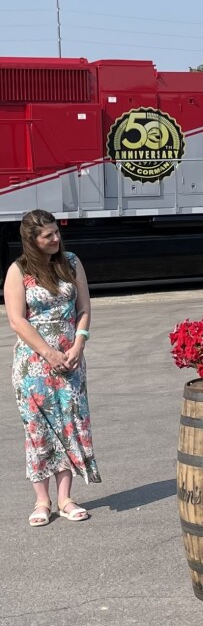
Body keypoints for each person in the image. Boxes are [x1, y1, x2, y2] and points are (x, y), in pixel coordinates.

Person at [4, 209, 100, 527]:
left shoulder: (71, 262)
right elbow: (17, 319)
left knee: (69, 426)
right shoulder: (19, 270)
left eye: (57, 232)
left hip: (71, 360)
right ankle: (42, 501)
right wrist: (48, 353)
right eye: (48, 236)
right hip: (33, 365)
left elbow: (84, 307)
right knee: (38, 430)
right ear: (32, 240)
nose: (56, 239)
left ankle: (65, 499)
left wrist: (78, 344)